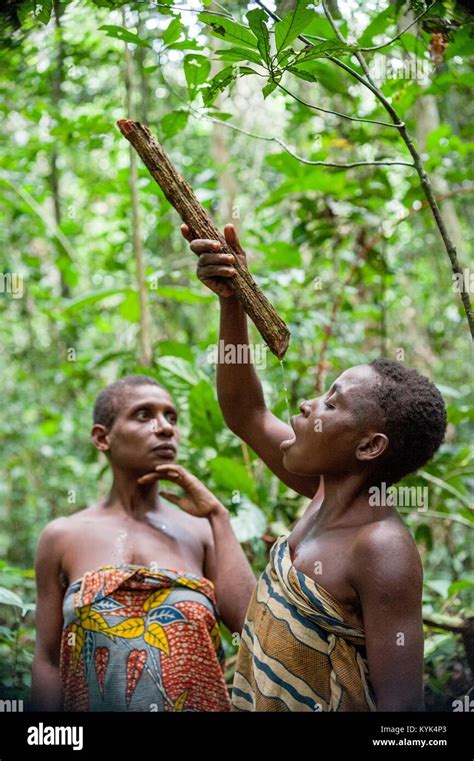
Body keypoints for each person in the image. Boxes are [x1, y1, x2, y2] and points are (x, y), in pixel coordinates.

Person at [181, 222, 447, 712]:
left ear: (369, 446)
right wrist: (231, 301)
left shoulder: (383, 548)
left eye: (331, 403)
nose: (307, 405)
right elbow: (246, 414)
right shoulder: (326, 487)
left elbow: (403, 715)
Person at [32, 374, 256, 712]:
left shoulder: (202, 532)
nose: (165, 427)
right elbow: (47, 660)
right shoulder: (62, 537)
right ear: (102, 438)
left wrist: (218, 516)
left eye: (171, 417)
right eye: (144, 415)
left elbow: (253, 631)